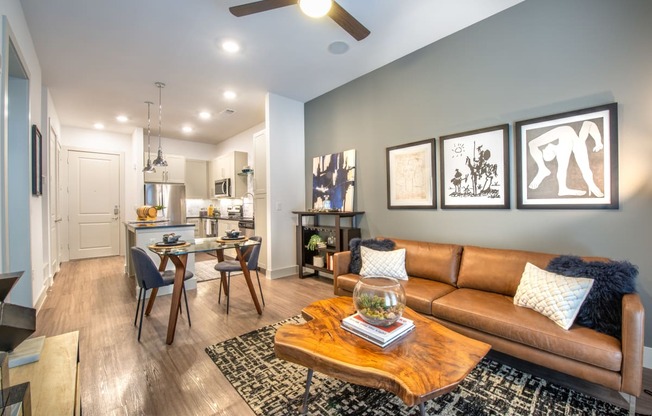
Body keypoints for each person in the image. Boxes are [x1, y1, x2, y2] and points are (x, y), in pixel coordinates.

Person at [527, 120, 604, 197]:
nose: (545, 149)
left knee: (533, 144)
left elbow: (587, 124)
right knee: (566, 166)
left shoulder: (566, 144)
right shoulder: (570, 147)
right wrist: (598, 141)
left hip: (566, 135)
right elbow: (587, 123)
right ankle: (557, 183)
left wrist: (598, 142)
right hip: (568, 138)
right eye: (546, 152)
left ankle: (544, 171)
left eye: (544, 151)